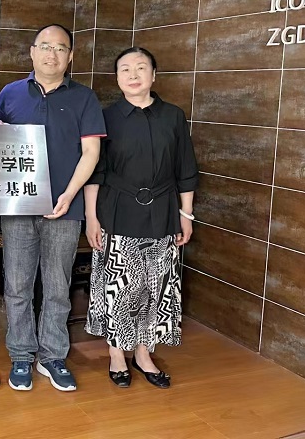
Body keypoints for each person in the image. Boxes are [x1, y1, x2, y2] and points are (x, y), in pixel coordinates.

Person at [0, 24, 105, 392]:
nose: (51, 54)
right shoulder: (10, 94)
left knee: (58, 286)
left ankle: (53, 356)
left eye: (60, 48)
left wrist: (69, 195)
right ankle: (21, 355)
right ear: (32, 52)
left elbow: (91, 152)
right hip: (18, 207)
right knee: (17, 285)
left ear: (70, 56)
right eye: (45, 46)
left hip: (65, 207)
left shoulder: (84, 98)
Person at [84, 46, 198, 389]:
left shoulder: (173, 116)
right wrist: (91, 217)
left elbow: (186, 169)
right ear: (117, 77)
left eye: (141, 68)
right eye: (125, 69)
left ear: (154, 74)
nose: (133, 75)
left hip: (163, 210)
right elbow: (95, 171)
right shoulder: (105, 117)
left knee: (156, 287)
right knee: (120, 286)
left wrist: (186, 215)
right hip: (117, 209)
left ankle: (144, 353)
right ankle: (117, 353)